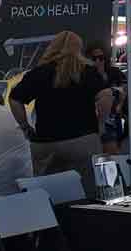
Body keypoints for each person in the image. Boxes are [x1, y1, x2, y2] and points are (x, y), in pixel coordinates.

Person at [9, 31, 111, 194]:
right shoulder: (88, 71)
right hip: (82, 139)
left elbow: (14, 99)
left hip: (46, 142)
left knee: (49, 194)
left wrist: (25, 126)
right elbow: (106, 95)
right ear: (78, 49)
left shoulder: (38, 73)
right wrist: (100, 122)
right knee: (87, 192)